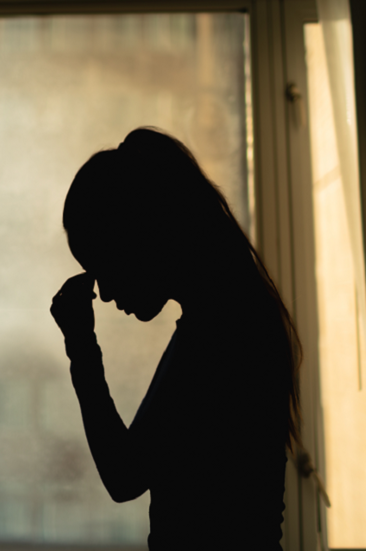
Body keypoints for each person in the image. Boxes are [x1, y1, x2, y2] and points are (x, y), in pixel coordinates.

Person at [50, 127, 301, 550]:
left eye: (103, 265)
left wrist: (81, 348)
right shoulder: (232, 315)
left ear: (138, 237)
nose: (104, 293)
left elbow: (124, 475)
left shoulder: (216, 337)